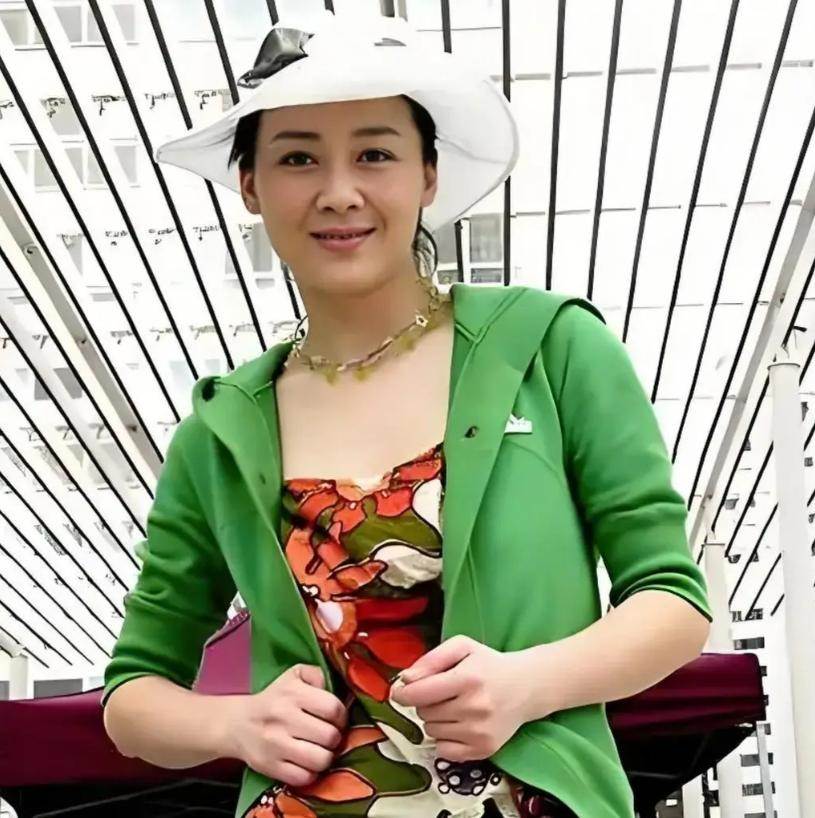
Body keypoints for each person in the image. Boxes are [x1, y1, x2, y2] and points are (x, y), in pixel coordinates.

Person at [101, 11, 713, 818]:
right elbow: (132, 692)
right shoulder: (219, 431)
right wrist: (235, 724)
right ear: (250, 185)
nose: (338, 192)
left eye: (375, 154)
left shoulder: (548, 348)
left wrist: (527, 683)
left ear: (427, 174)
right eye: (297, 158)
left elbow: (671, 599)